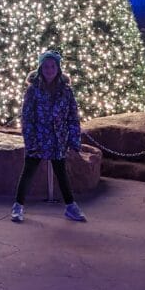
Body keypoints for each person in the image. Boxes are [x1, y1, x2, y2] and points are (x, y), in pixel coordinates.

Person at [11, 51, 87, 224]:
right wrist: (30, 139)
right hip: (38, 138)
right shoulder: (33, 90)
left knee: (61, 173)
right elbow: (27, 116)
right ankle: (18, 206)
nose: (49, 69)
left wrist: (73, 140)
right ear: (40, 68)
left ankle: (71, 206)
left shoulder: (66, 91)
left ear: (58, 68)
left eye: (52, 66)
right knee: (28, 171)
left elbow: (72, 116)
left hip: (57, 139)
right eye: (46, 66)